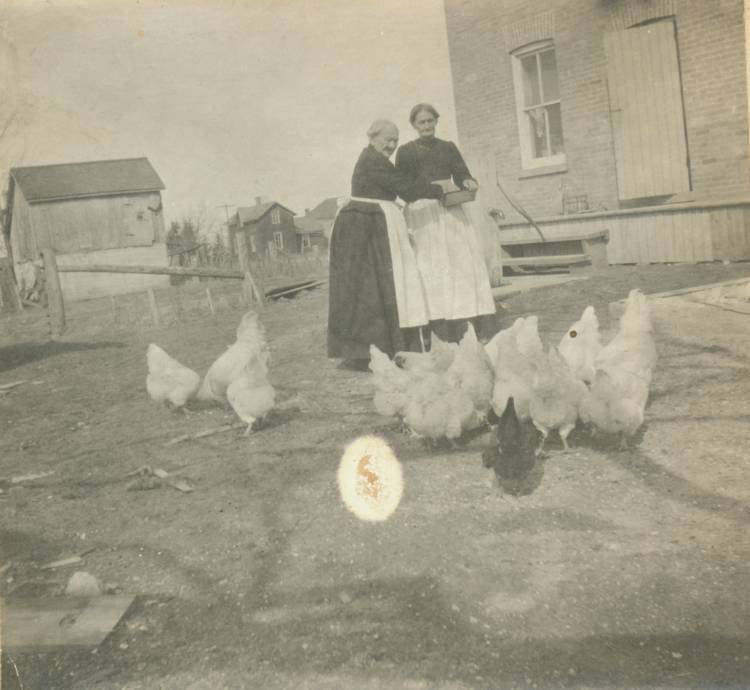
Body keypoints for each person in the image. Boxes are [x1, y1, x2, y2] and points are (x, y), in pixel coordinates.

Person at [327, 119, 444, 370]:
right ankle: (372, 349)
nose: (392, 145)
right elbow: (405, 187)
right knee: (372, 288)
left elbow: (399, 181)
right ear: (372, 137)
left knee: (374, 288)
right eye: (387, 139)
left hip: (368, 224)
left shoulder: (374, 159)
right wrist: (439, 190)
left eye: (395, 140)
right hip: (366, 228)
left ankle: (374, 348)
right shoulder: (372, 161)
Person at [396, 103, 496, 343]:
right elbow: (403, 185)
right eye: (422, 122)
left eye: (430, 121)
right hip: (423, 213)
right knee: (430, 266)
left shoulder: (448, 148)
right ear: (414, 125)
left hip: (450, 210)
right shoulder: (406, 151)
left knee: (459, 263)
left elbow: (461, 174)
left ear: (436, 122)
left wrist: (468, 182)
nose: (427, 126)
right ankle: (436, 324)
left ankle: (463, 320)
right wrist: (429, 190)